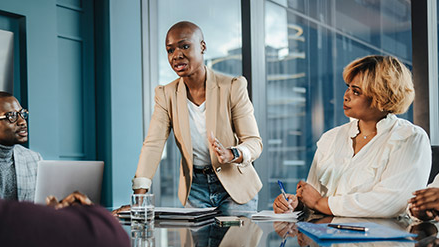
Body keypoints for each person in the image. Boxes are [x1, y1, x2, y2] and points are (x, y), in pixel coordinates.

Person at [0, 73, 130, 247]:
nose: (22, 121)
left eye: (23, 114)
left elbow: (34, 211)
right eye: (11, 117)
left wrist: (59, 212)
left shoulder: (33, 159)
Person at [113, 21, 262, 214]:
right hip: (195, 191)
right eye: (170, 50)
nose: (176, 55)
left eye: (184, 46)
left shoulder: (232, 87)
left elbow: (254, 142)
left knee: (233, 244)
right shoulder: (166, 95)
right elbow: (153, 145)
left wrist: (232, 153)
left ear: (202, 46)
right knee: (197, 245)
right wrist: (138, 199)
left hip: (236, 189)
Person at [273, 55, 431, 217]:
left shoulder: (409, 138)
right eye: (348, 87)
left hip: (380, 240)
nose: (346, 95)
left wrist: (320, 203)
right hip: (326, 239)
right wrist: (296, 204)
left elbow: (391, 202)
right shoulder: (330, 138)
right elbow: (312, 198)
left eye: (356, 92)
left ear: (381, 97)